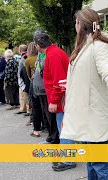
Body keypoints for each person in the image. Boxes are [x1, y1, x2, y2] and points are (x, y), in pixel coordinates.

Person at [59, 8, 108, 180]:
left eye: (76, 22)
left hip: (93, 116)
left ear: (81, 24)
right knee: (91, 160)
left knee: (99, 163)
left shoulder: (98, 47)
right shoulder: (83, 47)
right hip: (83, 115)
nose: (74, 25)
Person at [34, 30, 76, 171]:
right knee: (64, 128)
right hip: (62, 98)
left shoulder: (53, 55)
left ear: (39, 44)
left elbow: (59, 81)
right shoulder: (53, 53)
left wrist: (53, 101)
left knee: (64, 129)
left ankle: (69, 160)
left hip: (62, 100)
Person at [16, 44, 30, 115]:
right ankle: (23, 108)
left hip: (23, 78)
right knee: (22, 94)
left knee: (24, 94)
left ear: (20, 50)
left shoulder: (24, 57)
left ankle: (27, 109)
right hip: (23, 77)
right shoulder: (25, 56)